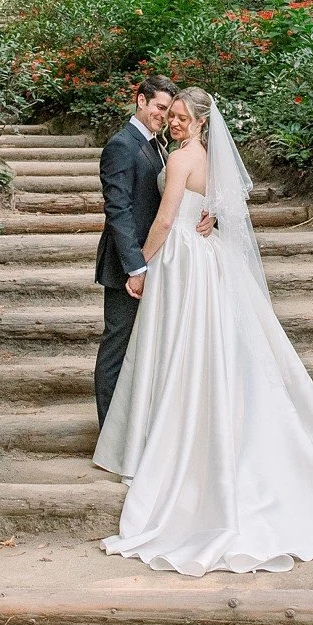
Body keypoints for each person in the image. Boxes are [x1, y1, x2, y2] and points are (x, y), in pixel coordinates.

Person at [93, 86, 313, 576]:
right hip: (202, 258)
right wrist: (209, 215)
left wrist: (145, 264)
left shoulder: (181, 158)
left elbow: (163, 219)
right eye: (170, 114)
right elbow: (223, 200)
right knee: (187, 346)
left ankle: (162, 434)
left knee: (178, 346)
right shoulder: (194, 154)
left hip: (179, 257)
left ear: (200, 121)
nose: (173, 121)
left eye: (180, 116)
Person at [93, 76, 213, 425]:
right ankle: (108, 432)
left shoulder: (161, 145)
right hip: (129, 265)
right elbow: (118, 211)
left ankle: (137, 428)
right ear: (141, 101)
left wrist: (209, 215)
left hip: (163, 261)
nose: (165, 116)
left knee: (146, 349)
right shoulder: (121, 145)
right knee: (118, 345)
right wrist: (137, 267)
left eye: (172, 111)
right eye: (160, 108)